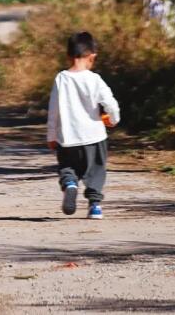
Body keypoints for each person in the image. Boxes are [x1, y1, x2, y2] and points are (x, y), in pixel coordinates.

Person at [46, 29, 120, 220]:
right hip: (94, 136)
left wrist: (51, 136)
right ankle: (95, 206)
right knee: (96, 172)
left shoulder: (61, 78)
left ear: (68, 55)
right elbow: (110, 103)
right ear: (92, 56)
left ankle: (70, 184)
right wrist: (113, 119)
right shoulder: (95, 79)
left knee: (67, 167)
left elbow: (53, 110)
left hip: (68, 138)